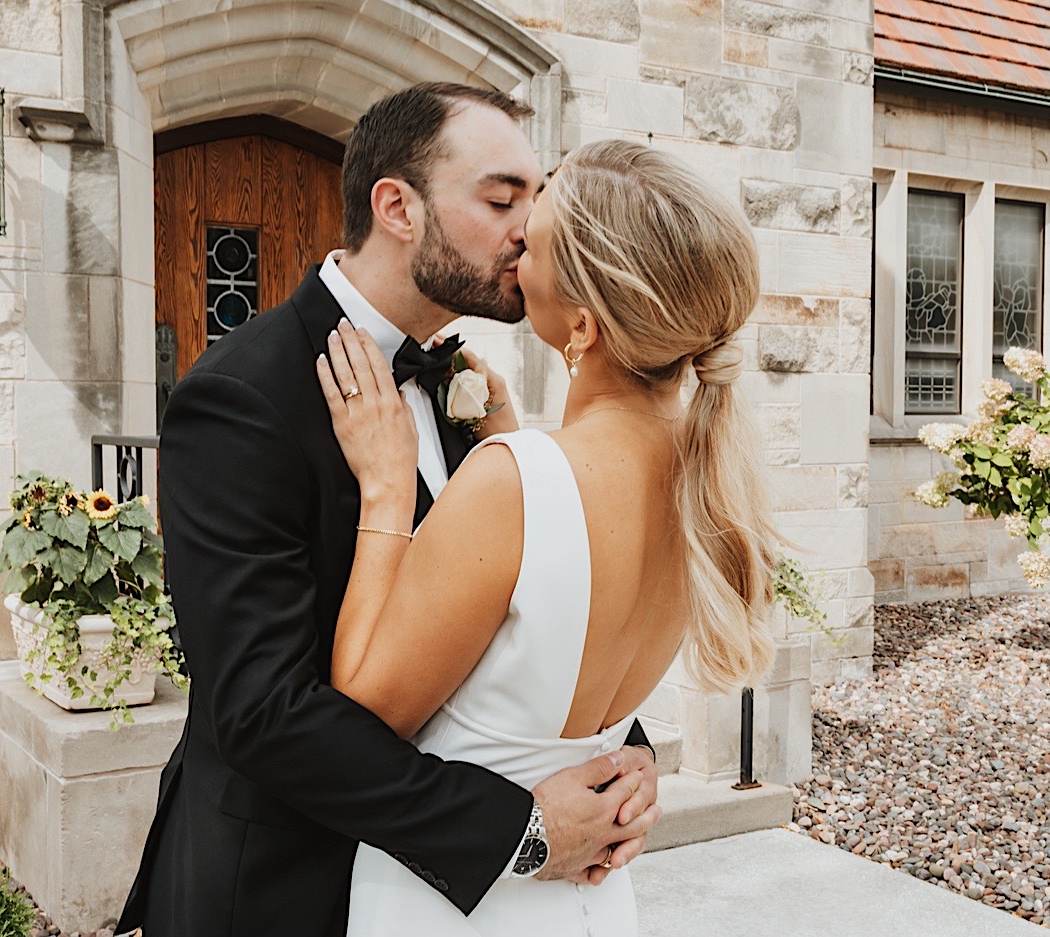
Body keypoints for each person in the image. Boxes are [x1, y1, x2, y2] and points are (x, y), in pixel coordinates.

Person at [116, 84, 662, 937]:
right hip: (280, 889)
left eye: (536, 198)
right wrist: (520, 831)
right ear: (397, 206)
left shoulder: (465, 386)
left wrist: (620, 756)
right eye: (499, 198)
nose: (529, 229)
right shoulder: (238, 397)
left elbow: (506, 625)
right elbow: (261, 712)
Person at [317, 137, 781, 937]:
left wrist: (387, 487)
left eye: (533, 239)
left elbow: (364, 708)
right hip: (588, 900)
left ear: (583, 326)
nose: (513, 246)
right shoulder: (706, 485)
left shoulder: (513, 480)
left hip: (453, 903)